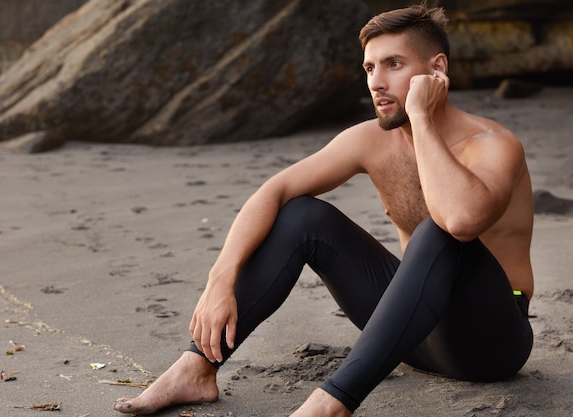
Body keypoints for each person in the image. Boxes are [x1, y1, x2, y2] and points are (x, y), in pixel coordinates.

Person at [114, 3, 534, 416]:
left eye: (394, 64)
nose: (377, 82)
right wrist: (220, 279)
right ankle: (196, 368)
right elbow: (273, 190)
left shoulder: (493, 144)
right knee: (302, 215)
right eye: (370, 68)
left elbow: (460, 221)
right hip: (409, 336)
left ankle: (331, 404)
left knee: (438, 232)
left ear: (436, 69)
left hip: (488, 344)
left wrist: (421, 118)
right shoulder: (371, 140)